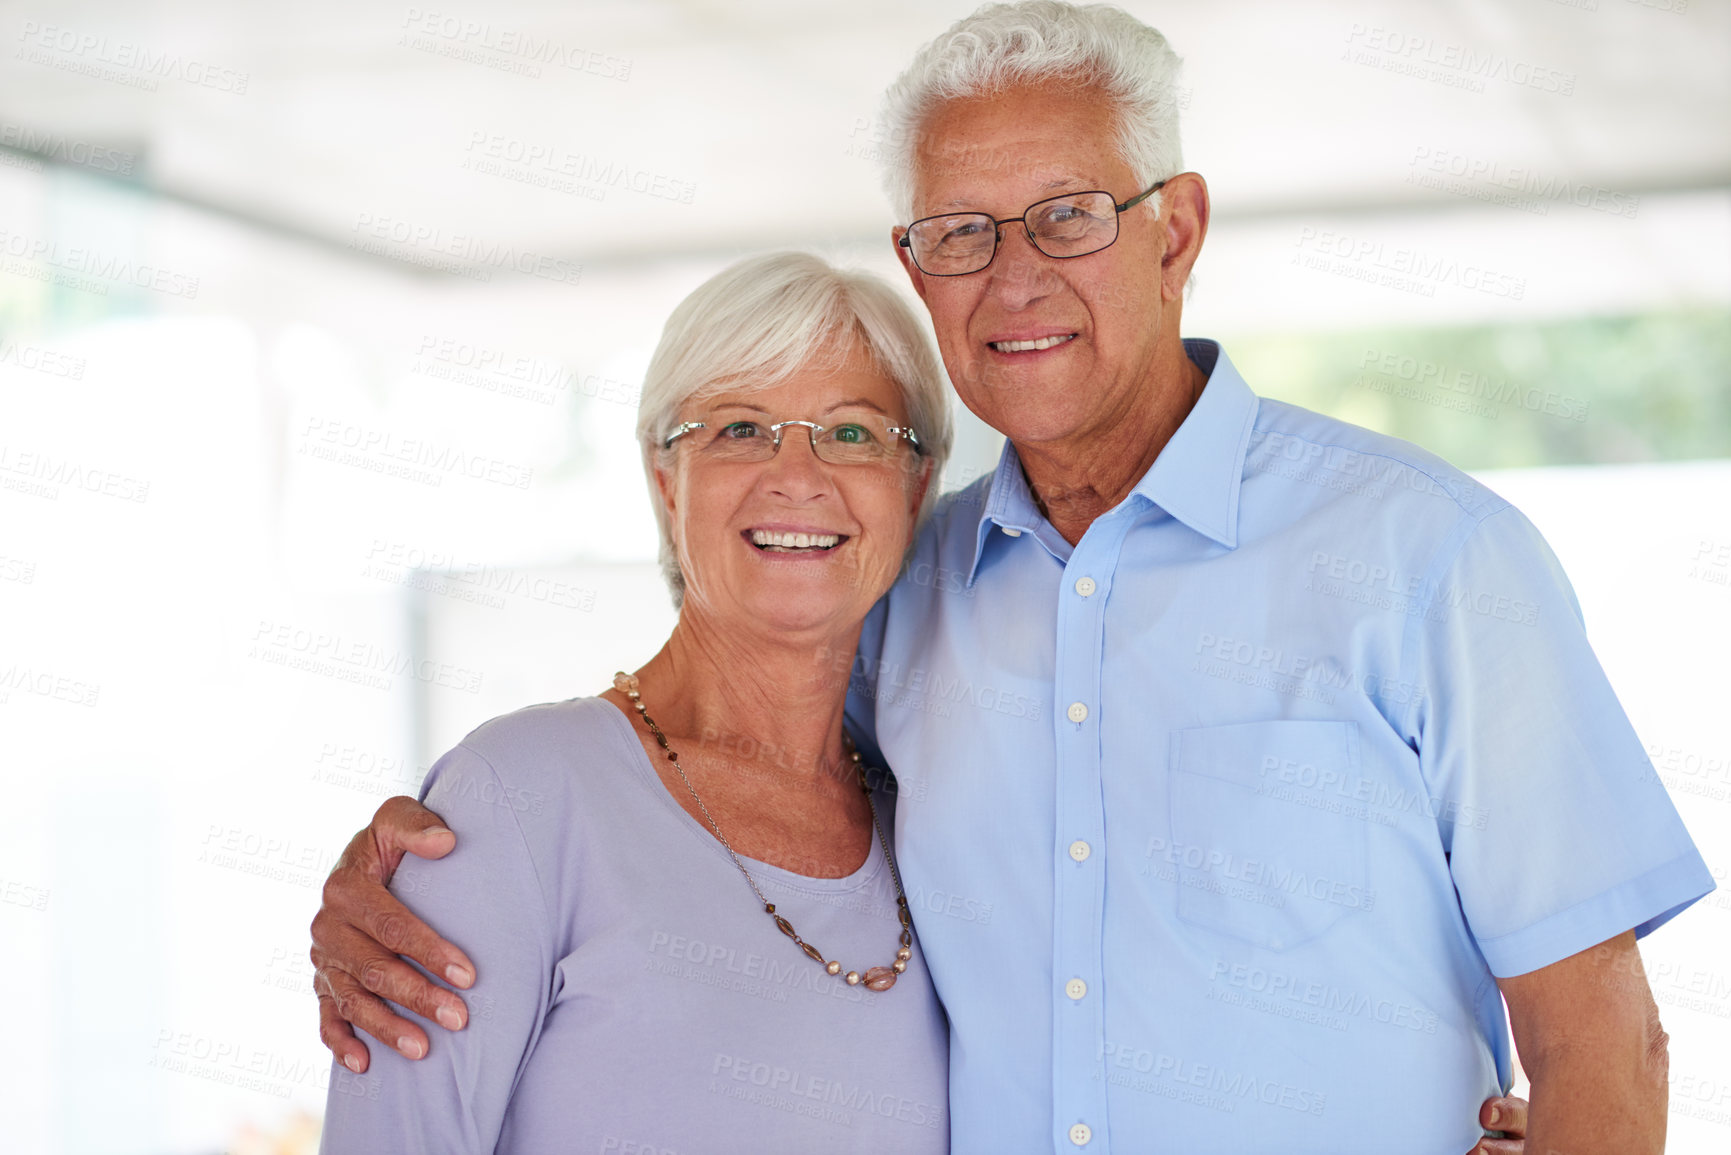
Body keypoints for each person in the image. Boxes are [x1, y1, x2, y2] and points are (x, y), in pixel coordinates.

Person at [312, 3, 1711, 1152]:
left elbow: (1603, 1042)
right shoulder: (899, 598)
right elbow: (694, 769)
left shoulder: (1428, 558)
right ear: (919, 269)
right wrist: (401, 872)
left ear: (1175, 231)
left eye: (1066, 216)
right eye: (959, 232)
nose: (1012, 276)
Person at [318, 251, 954, 1151]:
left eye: (853, 433)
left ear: (916, 484)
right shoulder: (519, 795)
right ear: (666, 479)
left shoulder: (931, 817)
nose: (798, 474)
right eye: (740, 427)